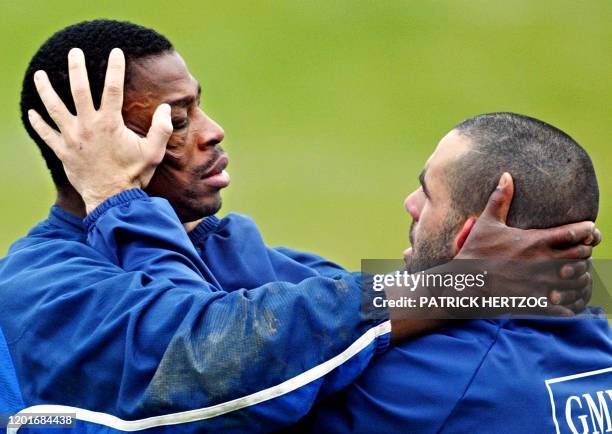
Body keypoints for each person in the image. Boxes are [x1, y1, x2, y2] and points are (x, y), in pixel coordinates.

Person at [0, 20, 597, 432]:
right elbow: (207, 358)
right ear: (89, 145)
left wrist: (511, 276)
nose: (212, 131)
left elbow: (337, 310)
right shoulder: (43, 290)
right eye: (176, 120)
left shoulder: (237, 250)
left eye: (199, 105)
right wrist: (469, 282)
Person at [303, 112, 612, 434]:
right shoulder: (596, 345)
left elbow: (261, 372)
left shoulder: (425, 384)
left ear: (474, 237)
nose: (411, 202)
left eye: (427, 193)